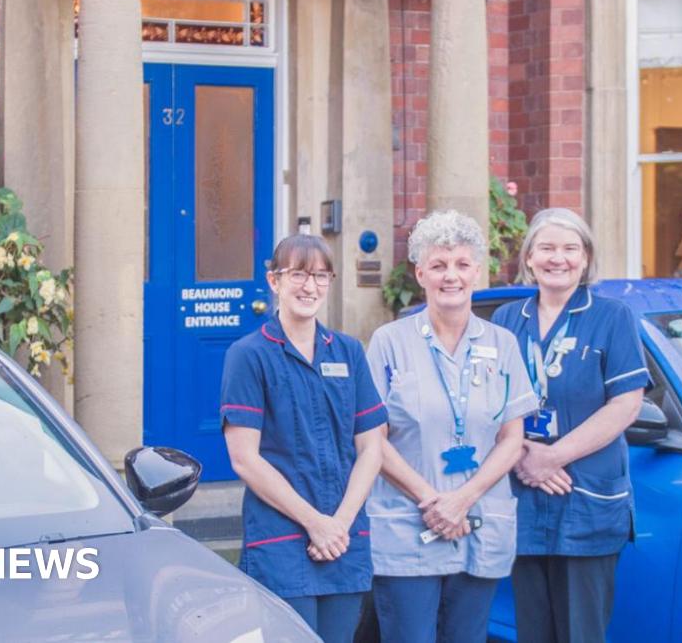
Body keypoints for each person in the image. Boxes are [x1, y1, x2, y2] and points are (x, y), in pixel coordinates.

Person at [365, 210, 539, 643]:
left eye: (462, 265)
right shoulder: (389, 343)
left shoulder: (502, 344)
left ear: (477, 272)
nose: (451, 276)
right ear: (420, 272)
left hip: (479, 520)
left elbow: (512, 437)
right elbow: (371, 440)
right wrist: (433, 501)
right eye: (439, 266)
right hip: (408, 527)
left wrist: (462, 499)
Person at [491, 208, 650, 643]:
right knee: (532, 632)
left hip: (586, 498)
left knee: (582, 633)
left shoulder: (612, 316)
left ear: (585, 258)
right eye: (546, 248)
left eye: (569, 248)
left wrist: (554, 457)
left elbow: (626, 405)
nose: (557, 258)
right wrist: (526, 456)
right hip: (524, 493)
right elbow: (488, 402)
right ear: (528, 258)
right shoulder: (507, 319)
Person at [220, 234, 387, 643]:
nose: (309, 287)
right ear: (274, 281)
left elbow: (371, 447)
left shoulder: (348, 353)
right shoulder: (249, 355)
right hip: (282, 543)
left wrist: (339, 525)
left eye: (319, 276)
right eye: (298, 274)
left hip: (343, 541)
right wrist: (316, 524)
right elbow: (245, 460)